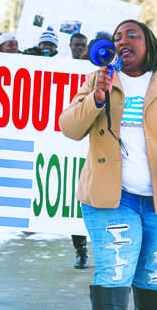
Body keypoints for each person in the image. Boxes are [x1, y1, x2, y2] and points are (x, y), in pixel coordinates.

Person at [59, 19, 157, 309]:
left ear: (148, 42)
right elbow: (70, 128)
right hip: (111, 199)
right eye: (117, 37)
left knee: (153, 277)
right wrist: (96, 99)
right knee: (115, 274)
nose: (123, 41)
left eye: (132, 35)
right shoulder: (98, 79)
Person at [66, 32, 90, 269]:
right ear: (70, 46)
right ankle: (80, 249)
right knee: (74, 202)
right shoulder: (61, 66)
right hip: (70, 142)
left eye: (82, 45)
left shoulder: (96, 69)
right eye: (76, 45)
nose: (79, 48)